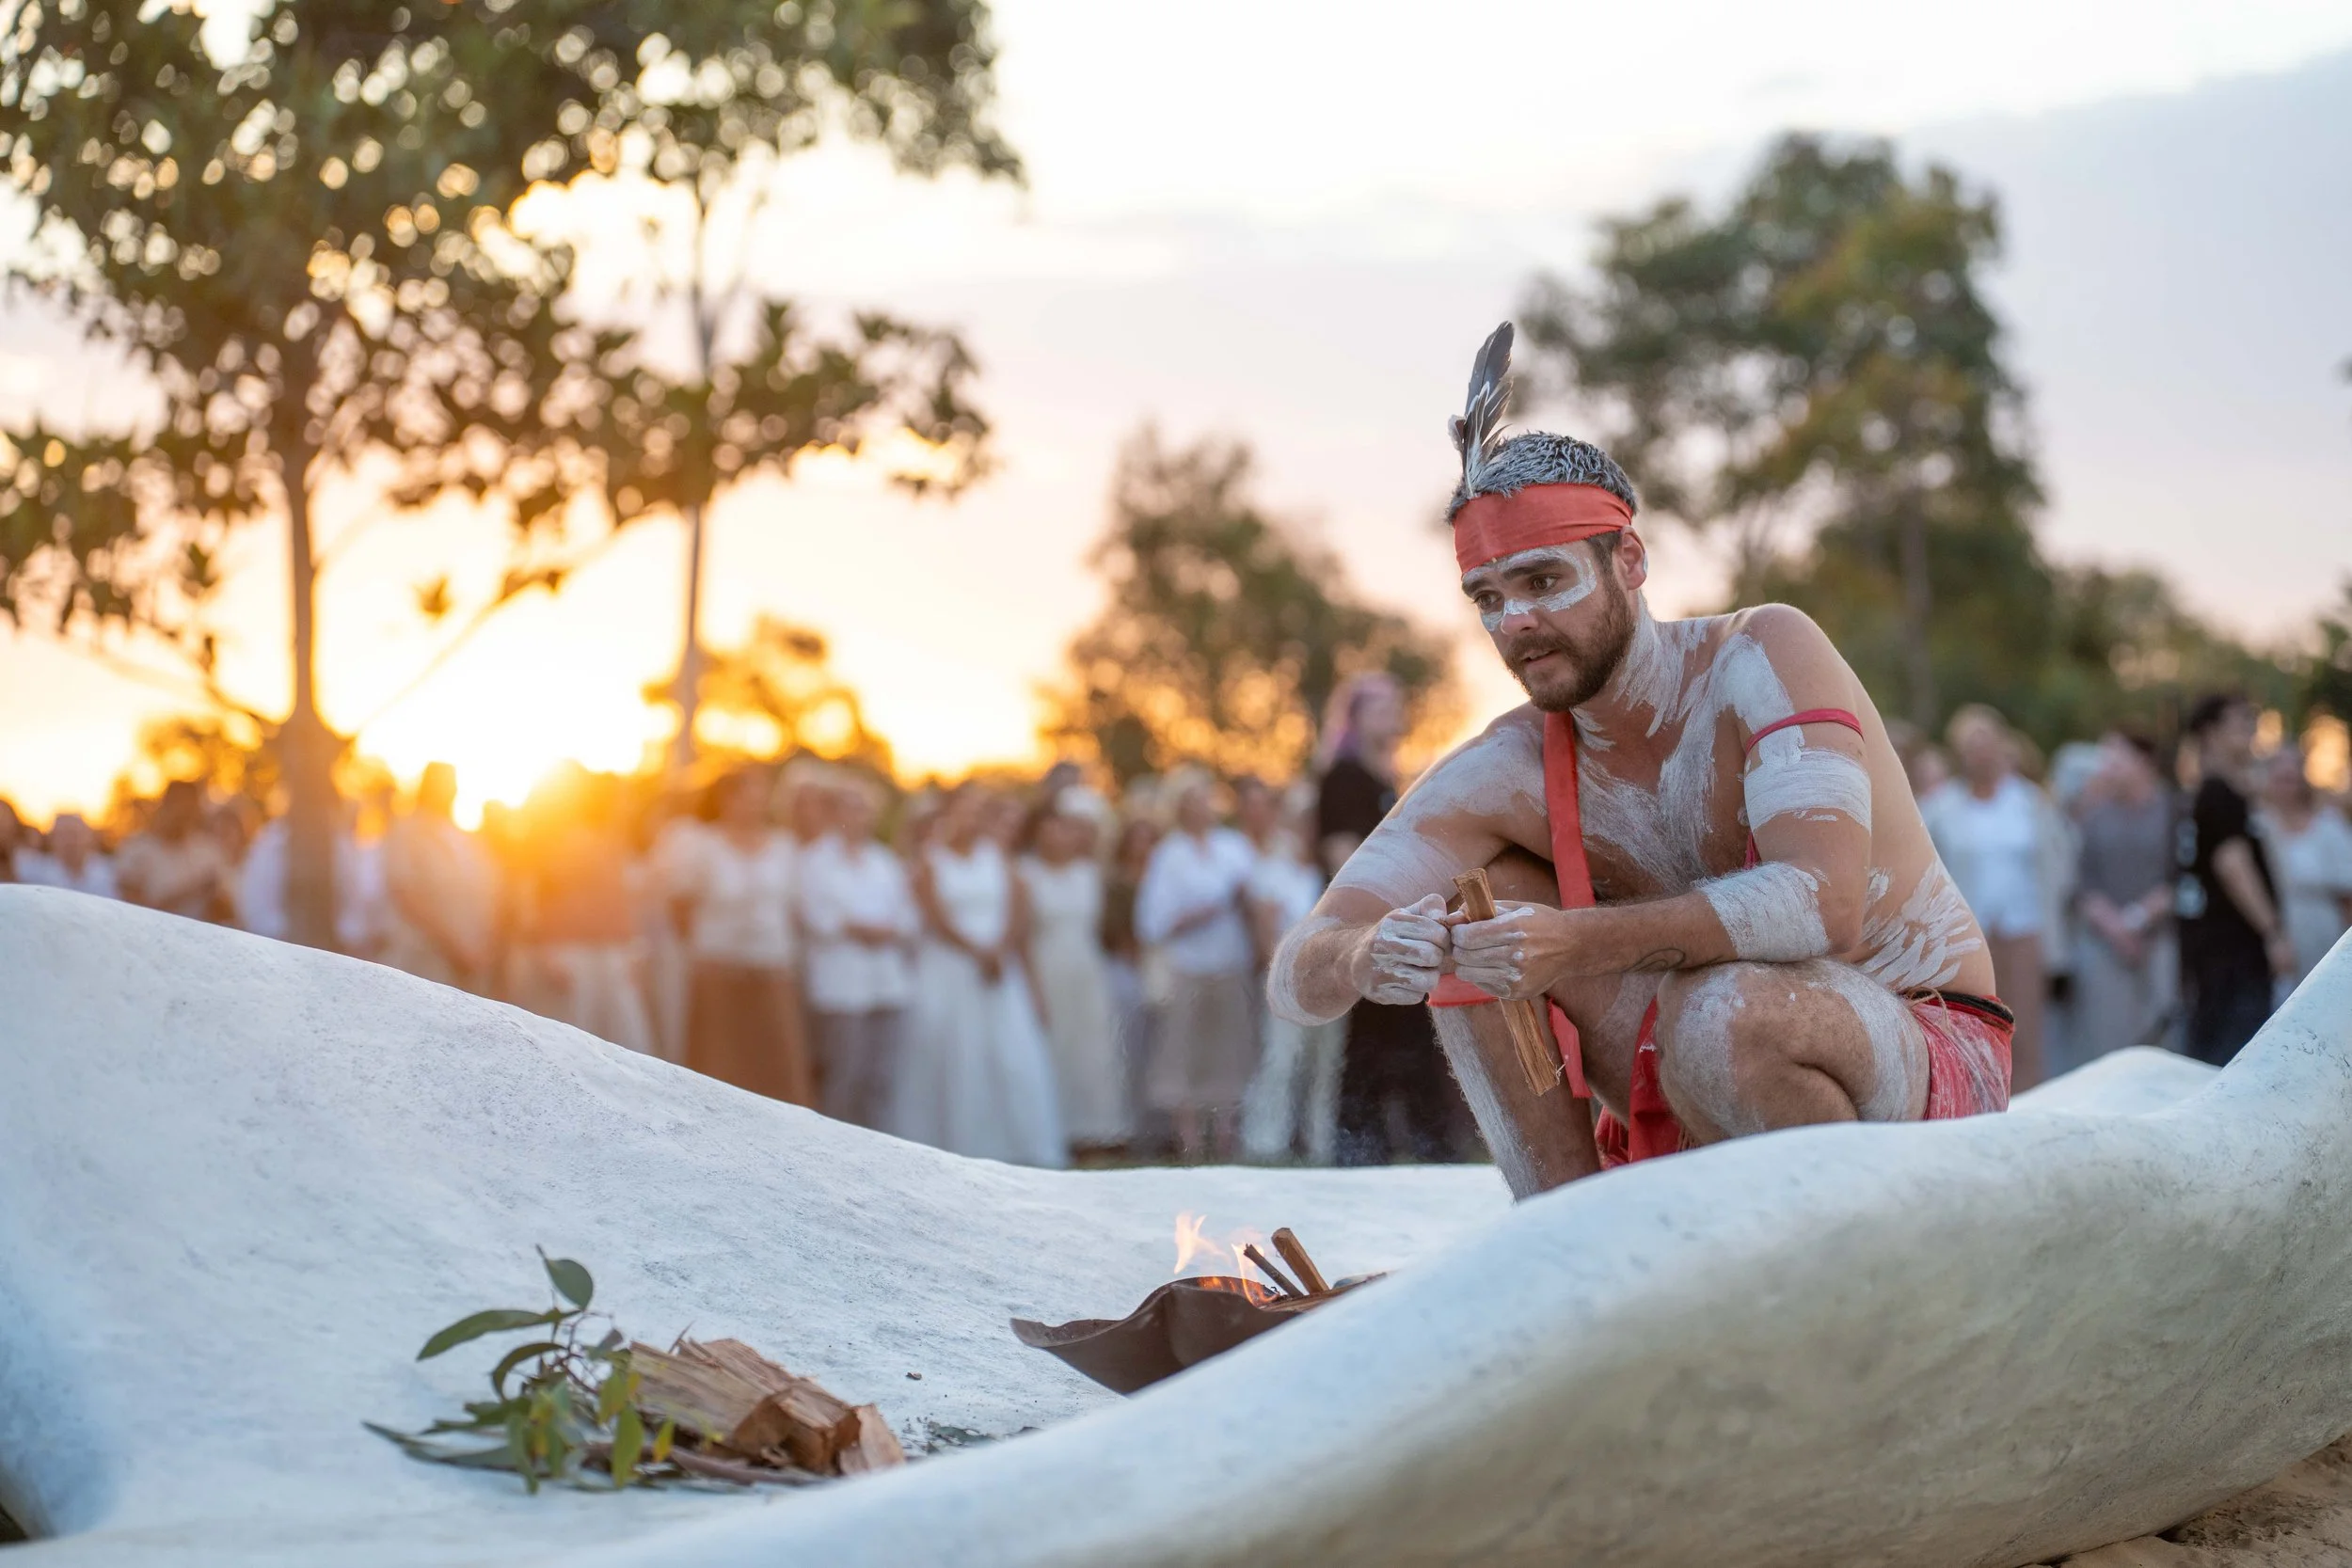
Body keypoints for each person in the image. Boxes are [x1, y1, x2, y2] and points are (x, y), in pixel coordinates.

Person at [1269, 324, 2009, 1187]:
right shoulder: (1501, 767)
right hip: (1693, 1066)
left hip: (1918, 1053)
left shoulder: (1765, 654)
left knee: (1718, 1014)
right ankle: (1567, 1242)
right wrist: (1367, 956)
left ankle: (1847, 1279)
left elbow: (1823, 906)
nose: (1515, 624)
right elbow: (1296, 971)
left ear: (1629, 559)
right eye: (1488, 598)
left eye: (1544, 582)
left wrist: (1573, 942)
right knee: (1482, 919)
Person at [1316, 672, 1463, 1164]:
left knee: (1412, 1039)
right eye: (1382, 707)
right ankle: (1361, 1148)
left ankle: (1421, 1145)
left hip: (1403, 922)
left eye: (1395, 705)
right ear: (1355, 719)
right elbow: (1343, 860)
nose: (1394, 715)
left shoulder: (1390, 780)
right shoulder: (1343, 777)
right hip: (1367, 929)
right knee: (1372, 1042)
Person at [888, 784, 1067, 1166]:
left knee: (1009, 1056)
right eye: (966, 811)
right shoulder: (929, 861)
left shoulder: (997, 857)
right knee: (951, 1055)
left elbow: (1019, 906)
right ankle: (950, 1145)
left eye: (979, 811)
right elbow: (935, 917)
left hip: (997, 969)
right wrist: (976, 952)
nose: (974, 820)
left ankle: (1014, 1146)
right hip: (949, 969)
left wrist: (1000, 948)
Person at [1924, 705, 2068, 1089]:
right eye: (1971, 746)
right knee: (1974, 1030)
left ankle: (2029, 1106)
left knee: (2026, 1033)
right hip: (1970, 937)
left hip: (2024, 930)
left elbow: (2060, 865)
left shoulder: (2030, 802)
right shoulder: (1943, 808)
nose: (1981, 754)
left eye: (1987, 743)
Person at [661, 767, 812, 1104]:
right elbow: (680, 906)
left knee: (777, 1061)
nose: (756, 804)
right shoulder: (703, 846)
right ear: (727, 800)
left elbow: (792, 908)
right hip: (718, 968)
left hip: (771, 966)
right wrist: (704, 949)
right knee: (719, 1060)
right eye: (748, 796)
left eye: (760, 797)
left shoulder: (784, 847)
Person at [1135, 769, 1260, 1159]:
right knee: (1184, 1055)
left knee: (1229, 1053)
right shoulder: (1169, 854)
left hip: (1231, 965)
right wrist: (1197, 915)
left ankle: (1225, 1140)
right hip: (1188, 968)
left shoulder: (1235, 846)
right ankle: (1188, 1144)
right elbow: (1151, 922)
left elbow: (1256, 900)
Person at [2174, 693, 2295, 1066]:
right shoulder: (2219, 792)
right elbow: (2232, 865)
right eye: (2241, 722)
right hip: (2232, 954)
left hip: (2210, 952)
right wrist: (2272, 932)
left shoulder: (2208, 792)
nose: (2251, 731)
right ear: (2211, 732)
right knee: (2233, 1063)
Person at [798, 775, 918, 1129]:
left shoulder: (884, 861)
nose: (858, 814)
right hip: (841, 983)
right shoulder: (815, 861)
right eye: (849, 806)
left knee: (880, 1076)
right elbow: (817, 917)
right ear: (834, 813)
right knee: (843, 1073)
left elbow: (908, 916)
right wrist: (860, 928)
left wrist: (885, 930)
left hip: (887, 982)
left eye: (863, 807)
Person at [1018, 787, 1131, 1151]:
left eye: (1067, 828)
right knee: (1053, 1047)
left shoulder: (1088, 874)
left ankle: (1094, 1130)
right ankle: (1055, 1129)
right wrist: (1033, 988)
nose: (1062, 836)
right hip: (1047, 968)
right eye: (1054, 827)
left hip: (1086, 968)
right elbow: (1022, 936)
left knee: (1091, 1048)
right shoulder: (1025, 873)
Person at [1240, 783, 1344, 1164]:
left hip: (1329, 983)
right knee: (1281, 1061)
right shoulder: (1274, 868)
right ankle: (1266, 1142)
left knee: (1325, 1066)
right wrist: (1281, 979)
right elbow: (1266, 929)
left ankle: (1320, 1143)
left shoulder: (1331, 870)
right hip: (1285, 981)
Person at [520, 767, 656, 1054]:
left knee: (627, 1046)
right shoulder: (562, 840)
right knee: (573, 1046)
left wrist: (634, 949)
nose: (626, 805)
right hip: (572, 956)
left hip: (614, 957)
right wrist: (546, 953)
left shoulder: (616, 842)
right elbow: (539, 896)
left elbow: (620, 901)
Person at [2069, 732, 2178, 1065]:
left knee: (2165, 1042)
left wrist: (2138, 919)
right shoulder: (2095, 817)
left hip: (2162, 943)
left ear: (2143, 762)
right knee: (2110, 1050)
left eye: (2116, 760)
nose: (2107, 769)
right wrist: (2116, 929)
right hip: (2106, 947)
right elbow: (2085, 884)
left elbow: (2180, 877)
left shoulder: (2174, 811)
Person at [379, 764, 499, 991]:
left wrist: (480, 949)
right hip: (424, 962)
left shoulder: (467, 838)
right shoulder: (406, 831)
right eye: (444, 784)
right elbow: (405, 894)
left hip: (469, 965)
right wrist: (453, 947)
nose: (451, 790)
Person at [2254, 745, 2352, 990]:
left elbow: (2347, 894)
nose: (2286, 788)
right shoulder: (2260, 825)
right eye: (2280, 779)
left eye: (2291, 780)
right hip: (2275, 931)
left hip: (2323, 930)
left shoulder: (2328, 825)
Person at [1101, 814, 1162, 1150]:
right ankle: (1132, 1130)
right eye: (1138, 838)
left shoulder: (1164, 877)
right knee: (1130, 1049)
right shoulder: (1119, 882)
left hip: (1163, 970)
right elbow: (1113, 930)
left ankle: (1160, 1130)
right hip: (1129, 972)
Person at [116, 780, 237, 924]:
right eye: (179, 808)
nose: (184, 817)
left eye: (190, 810)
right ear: (165, 805)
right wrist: (192, 891)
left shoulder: (209, 852)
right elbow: (133, 911)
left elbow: (228, 913)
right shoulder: (136, 849)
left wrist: (218, 899)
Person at [16, 812, 117, 898]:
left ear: (89, 837)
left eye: (75, 834)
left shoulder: (112, 871)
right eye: (62, 835)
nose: (70, 841)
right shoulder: (35, 873)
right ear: (52, 839)